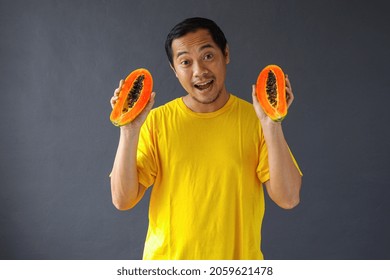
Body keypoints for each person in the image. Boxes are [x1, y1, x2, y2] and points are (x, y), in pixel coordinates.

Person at [110, 17, 302, 260]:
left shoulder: (257, 120)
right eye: (185, 62)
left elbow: (289, 198)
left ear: (226, 54)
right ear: (174, 70)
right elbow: (122, 199)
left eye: (208, 56)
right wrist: (128, 131)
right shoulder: (157, 122)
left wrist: (272, 124)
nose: (199, 71)